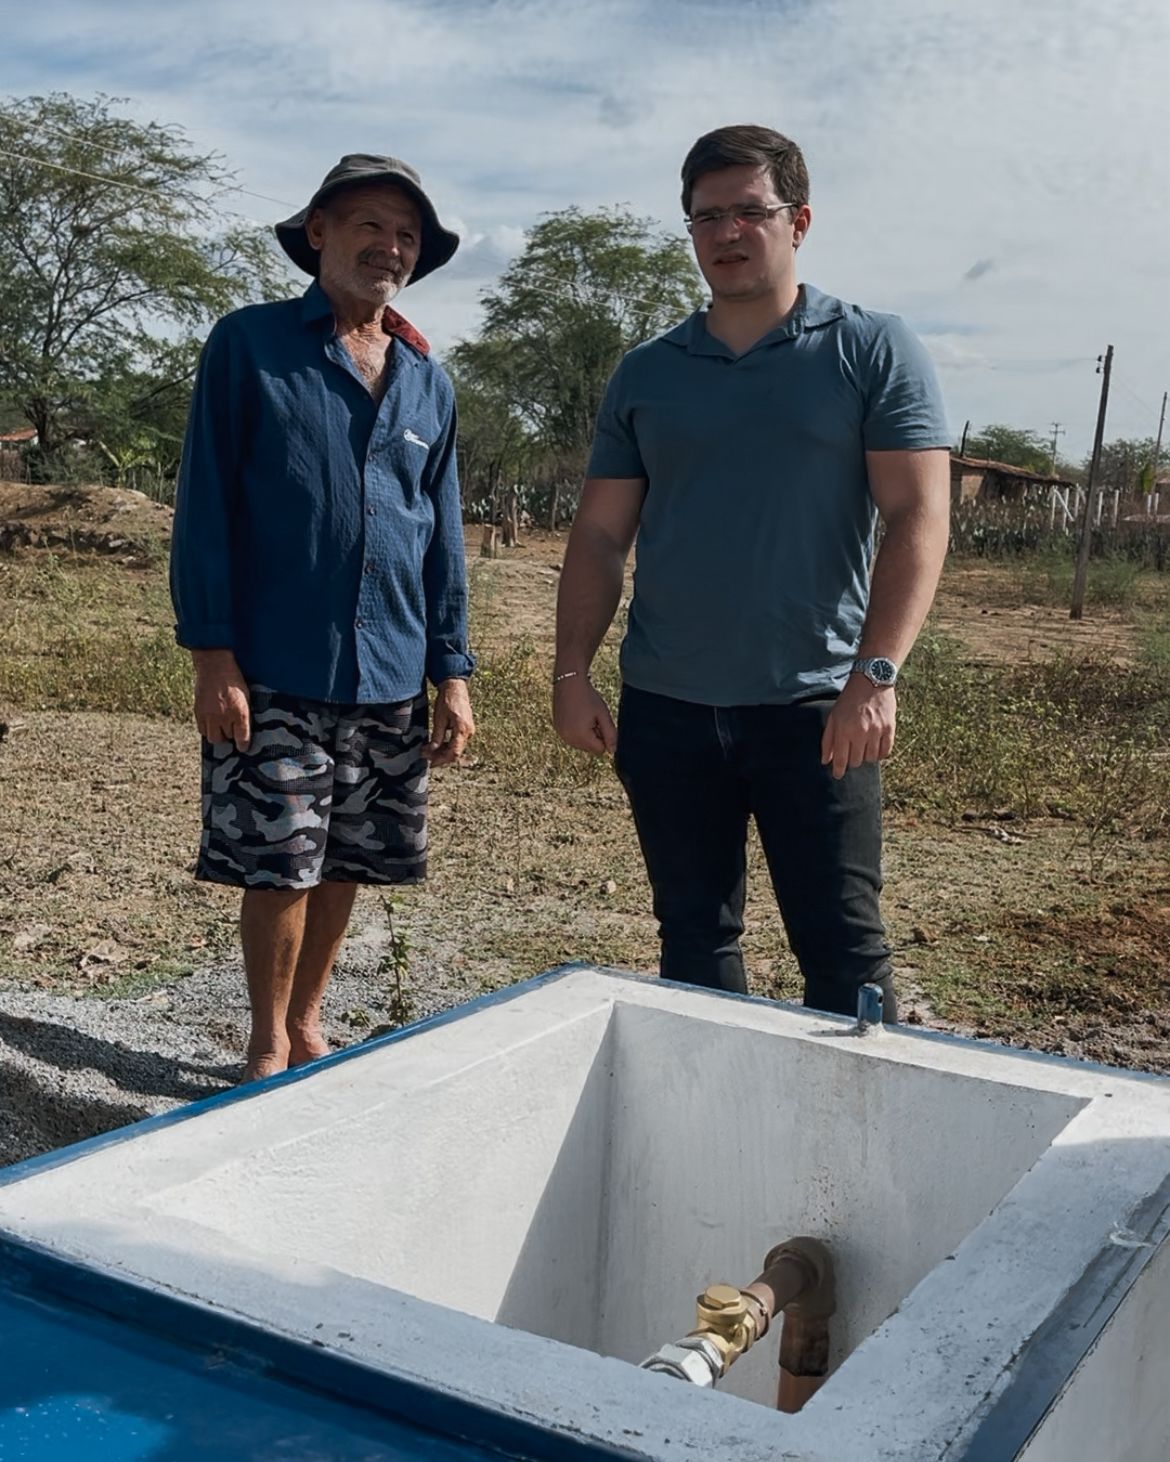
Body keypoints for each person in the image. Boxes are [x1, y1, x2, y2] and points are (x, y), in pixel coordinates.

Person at [552, 124, 951, 1022]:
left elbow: (918, 517)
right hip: (668, 708)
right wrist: (571, 672)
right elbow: (602, 533)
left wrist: (875, 674)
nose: (726, 234)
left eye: (748, 212)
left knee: (844, 948)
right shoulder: (649, 372)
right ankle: (709, 1146)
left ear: (798, 220)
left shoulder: (870, 349)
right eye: (705, 218)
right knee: (694, 937)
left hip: (818, 707)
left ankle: (850, 1153)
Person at [171, 154, 475, 1081]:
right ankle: (265, 1041)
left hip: (388, 671)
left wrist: (452, 673)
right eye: (369, 226)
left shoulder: (429, 380)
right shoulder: (250, 345)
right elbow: (206, 505)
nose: (388, 247)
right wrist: (211, 655)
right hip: (273, 666)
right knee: (280, 862)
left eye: (407, 236)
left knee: (347, 859)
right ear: (318, 234)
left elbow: (442, 537)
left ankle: (308, 1021)